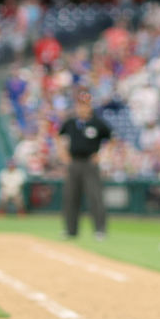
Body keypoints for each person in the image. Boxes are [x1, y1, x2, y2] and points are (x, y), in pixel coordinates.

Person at [57, 90, 112, 240]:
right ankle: (70, 230)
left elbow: (111, 139)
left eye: (86, 105)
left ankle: (100, 230)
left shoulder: (97, 123)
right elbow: (58, 136)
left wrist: (102, 155)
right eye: (80, 105)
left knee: (95, 197)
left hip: (90, 163)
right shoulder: (70, 122)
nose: (83, 108)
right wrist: (63, 155)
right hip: (74, 162)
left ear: (90, 106)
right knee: (70, 196)